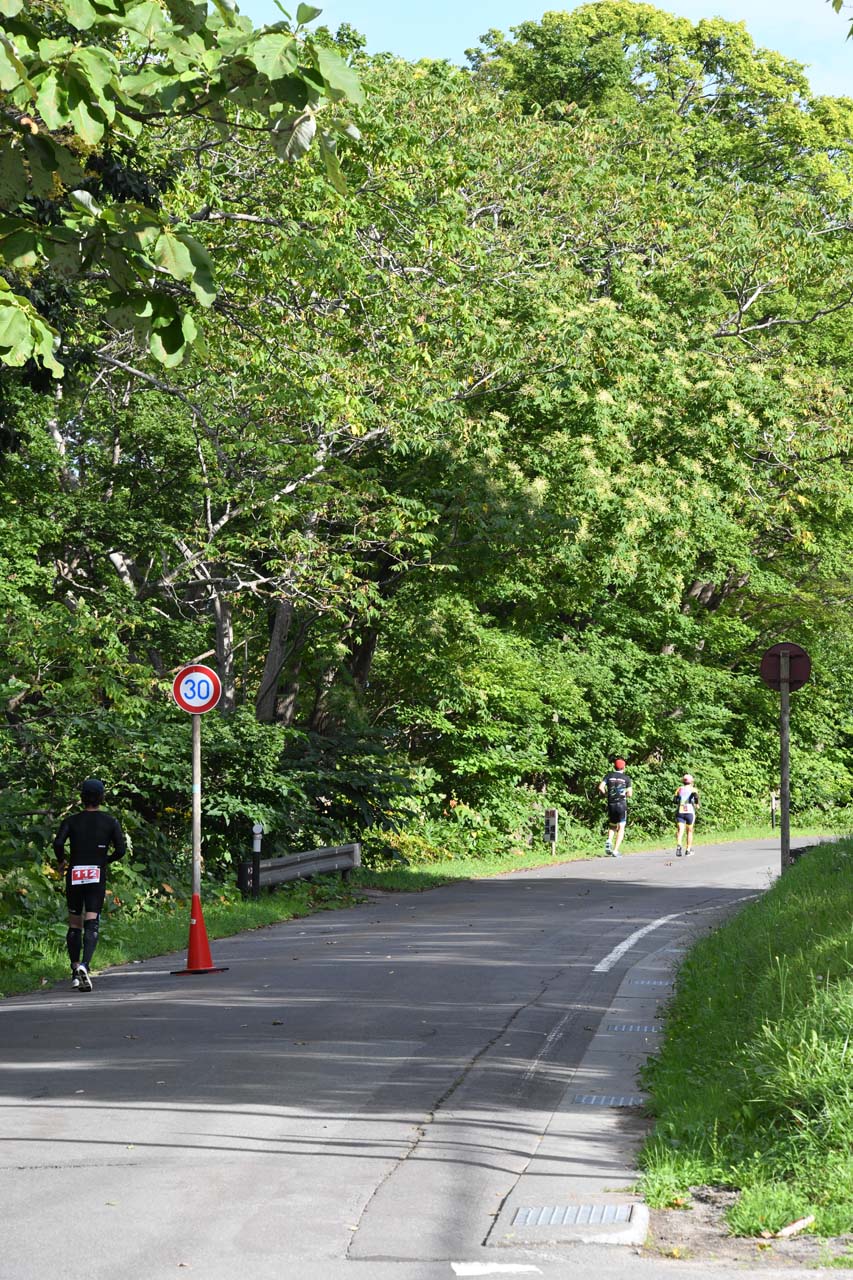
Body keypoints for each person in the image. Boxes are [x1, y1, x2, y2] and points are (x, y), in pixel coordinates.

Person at [53, 778, 126, 992]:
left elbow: (58, 842)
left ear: (82, 797)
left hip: (75, 872)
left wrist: (61, 861)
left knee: (75, 922)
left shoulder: (71, 821)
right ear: (102, 797)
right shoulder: (110, 821)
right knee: (91, 921)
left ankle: (75, 970)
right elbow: (121, 850)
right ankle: (85, 965)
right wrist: (105, 860)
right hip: (96, 872)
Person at [598, 757, 633, 857]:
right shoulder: (626, 778)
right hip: (621, 804)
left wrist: (606, 794)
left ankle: (609, 840)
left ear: (614, 766)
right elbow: (630, 793)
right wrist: (624, 794)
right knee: (621, 827)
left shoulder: (609, 775)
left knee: (612, 825)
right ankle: (615, 850)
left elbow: (601, 787)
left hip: (611, 804)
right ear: (624, 767)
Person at [674, 773, 700, 857]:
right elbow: (696, 797)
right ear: (691, 781)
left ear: (683, 781)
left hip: (680, 811)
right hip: (689, 812)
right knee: (689, 831)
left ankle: (679, 845)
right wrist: (697, 804)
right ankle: (688, 850)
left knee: (680, 830)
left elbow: (674, 801)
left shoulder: (679, 789)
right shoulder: (693, 789)